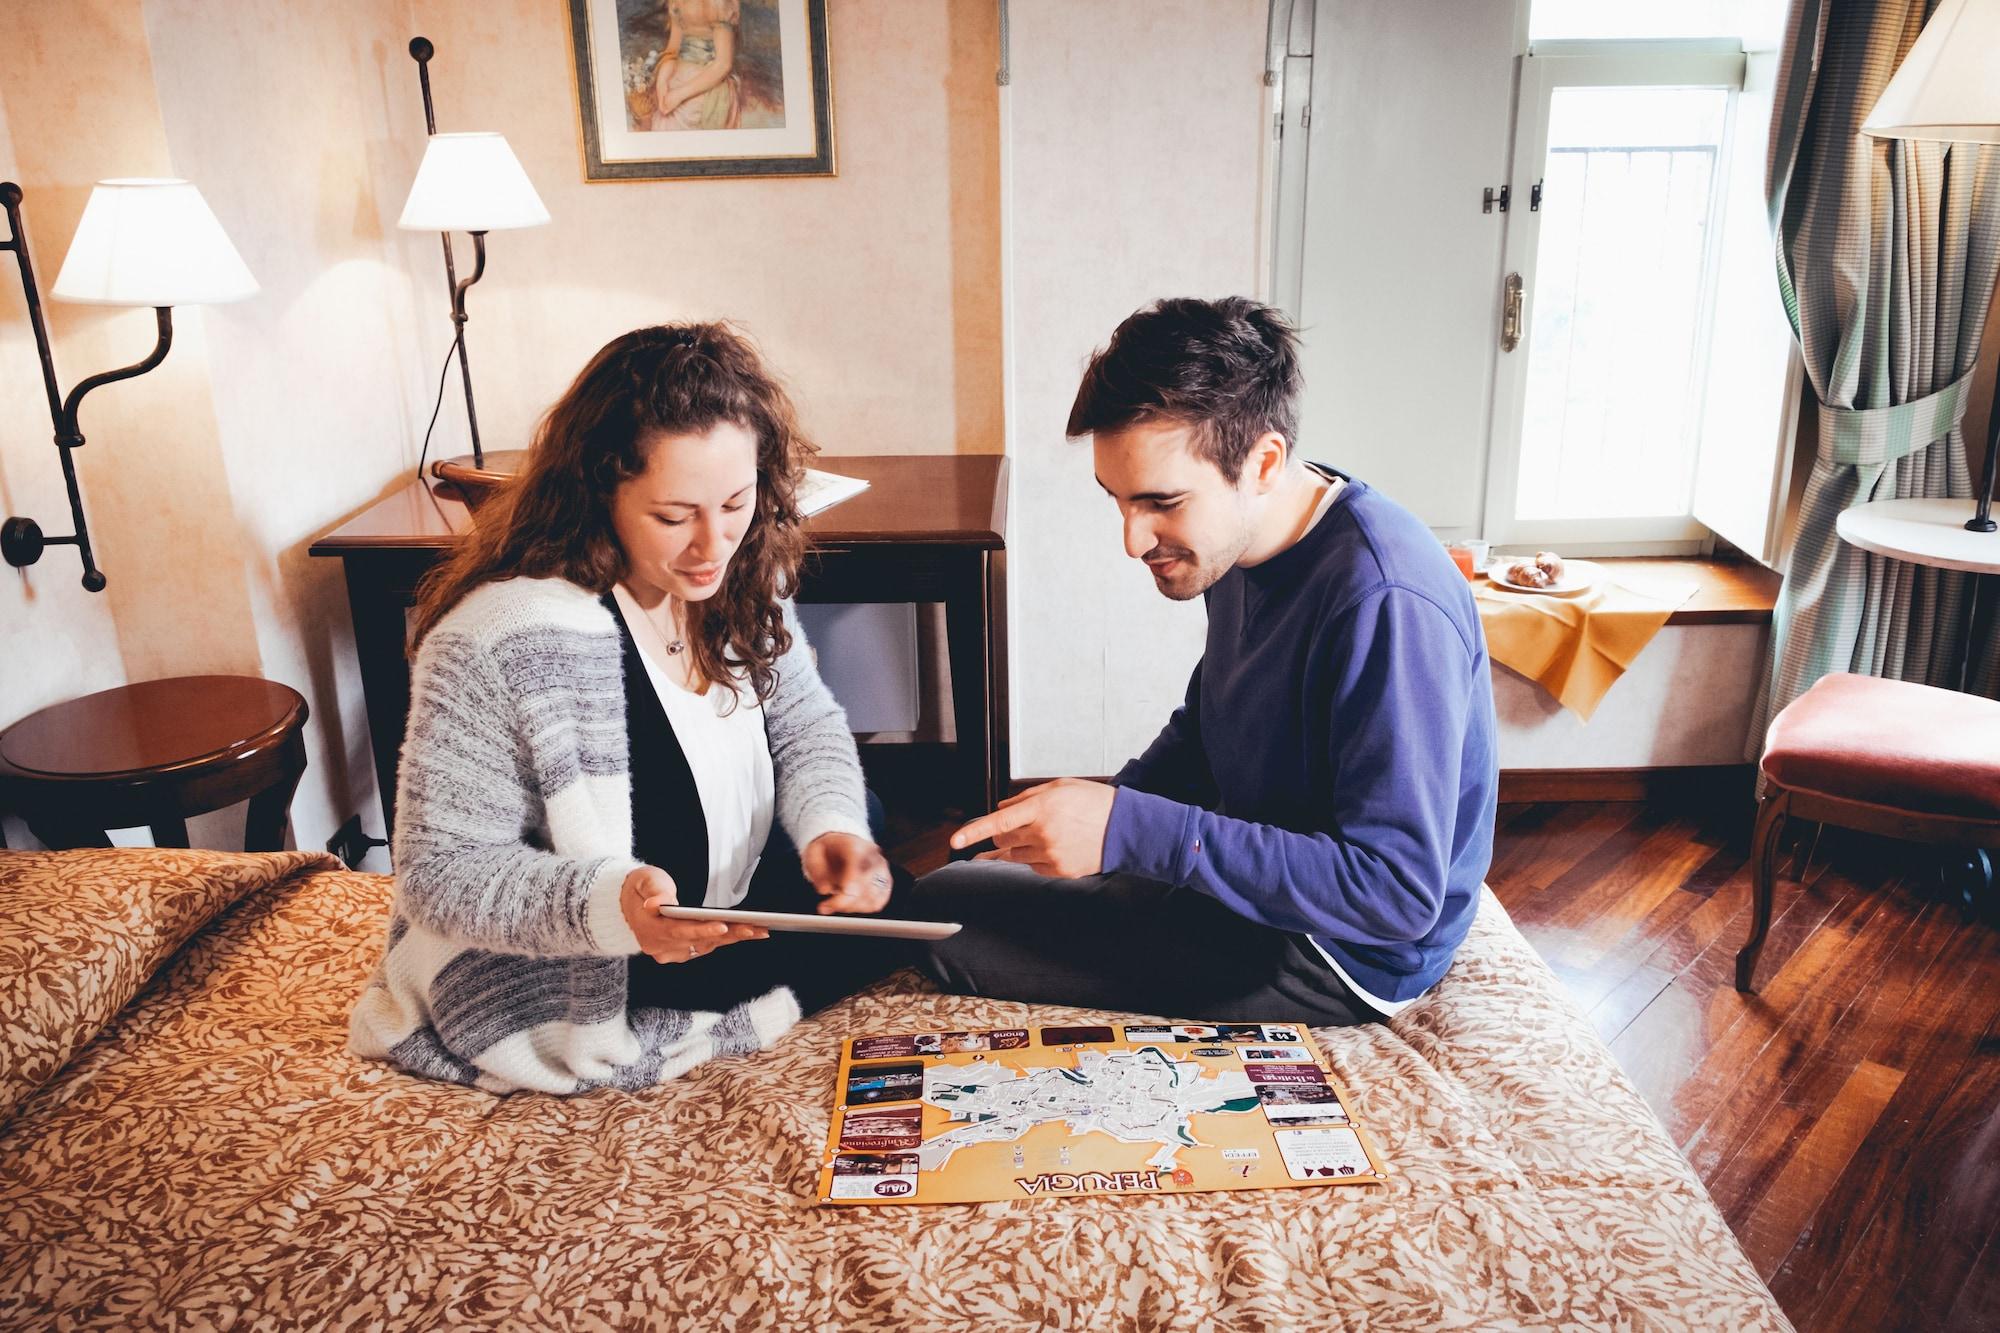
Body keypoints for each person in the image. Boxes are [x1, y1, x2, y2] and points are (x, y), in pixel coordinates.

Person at [349, 323, 909, 1095]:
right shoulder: (501, 638)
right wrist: (609, 905)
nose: (712, 543)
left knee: (869, 831)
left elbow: (804, 720)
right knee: (896, 916)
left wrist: (831, 827)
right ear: (598, 492)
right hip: (604, 953)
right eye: (674, 517)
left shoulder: (741, 573)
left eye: (736, 503)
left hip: (722, 901)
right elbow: (438, 875)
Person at [917, 296, 1499, 1026]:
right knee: (954, 891)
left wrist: (1134, 831)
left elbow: (1397, 894)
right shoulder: (1246, 544)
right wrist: (1109, 824)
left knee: (945, 922)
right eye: (1118, 501)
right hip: (1265, 873)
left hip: (1337, 950)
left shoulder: (1386, 603)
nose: (1133, 539)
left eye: (1161, 502)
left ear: (1262, 463)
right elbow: (1207, 726)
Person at [651, 0, 742, 131]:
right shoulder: (677, 3)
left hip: (709, 80)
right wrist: (662, 83)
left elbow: (723, 65)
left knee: (688, 111)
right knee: (664, 116)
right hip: (680, 74)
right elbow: (672, 51)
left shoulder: (719, 5)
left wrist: (679, 95)